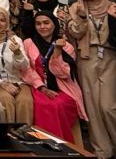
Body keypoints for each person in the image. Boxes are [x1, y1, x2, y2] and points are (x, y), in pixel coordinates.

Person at [67, 0, 116, 159]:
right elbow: (75, 33)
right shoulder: (75, 8)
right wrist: (82, 18)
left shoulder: (114, 6)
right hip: (86, 56)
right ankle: (102, 150)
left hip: (110, 56)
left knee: (111, 106)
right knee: (92, 106)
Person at [22, 11, 86, 145]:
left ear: (54, 24)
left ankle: (61, 146)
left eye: (46, 23)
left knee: (59, 104)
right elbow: (26, 69)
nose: (42, 27)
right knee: (44, 104)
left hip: (63, 87)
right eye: (38, 24)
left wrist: (57, 52)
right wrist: (42, 87)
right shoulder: (29, 43)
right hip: (37, 86)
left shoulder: (66, 46)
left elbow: (63, 74)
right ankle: (45, 146)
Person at [0, 6, 33, 124]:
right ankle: (7, 134)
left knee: (25, 101)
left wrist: (18, 53)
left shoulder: (14, 39)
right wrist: (1, 83)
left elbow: (24, 67)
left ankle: (24, 134)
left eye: (2, 20)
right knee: (5, 100)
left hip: (18, 81)